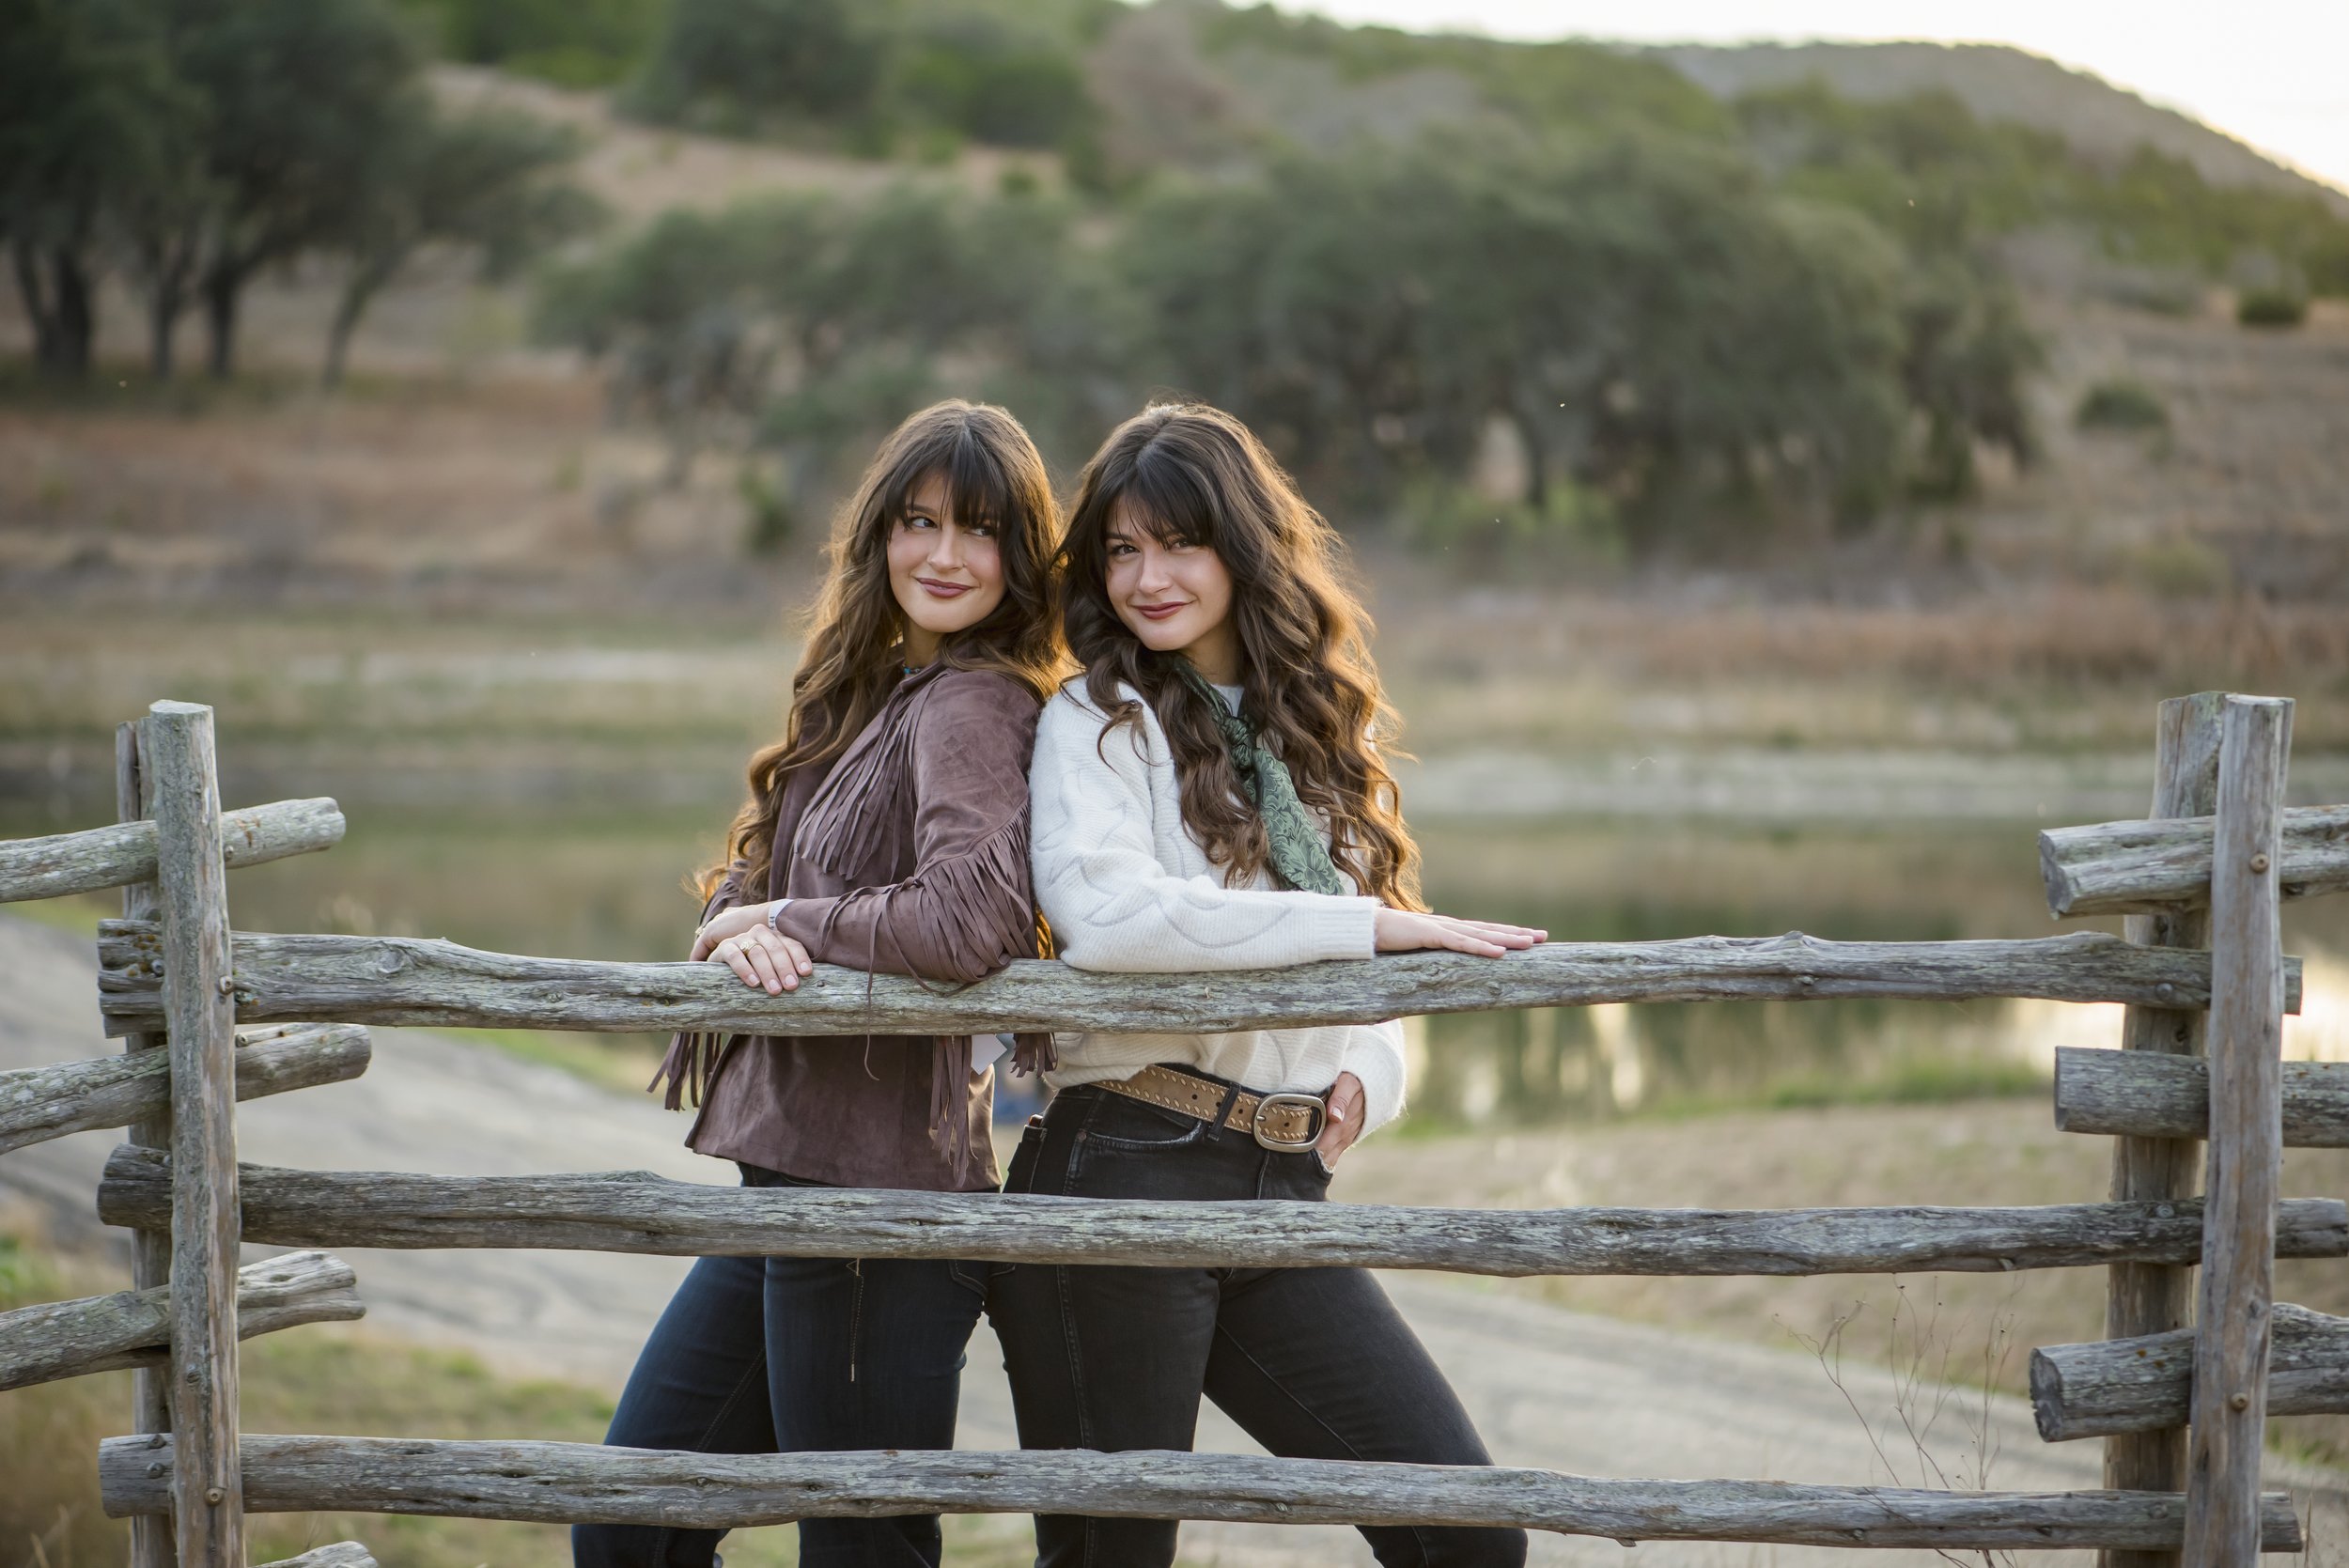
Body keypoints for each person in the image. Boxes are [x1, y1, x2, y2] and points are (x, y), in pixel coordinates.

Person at [996, 402, 1544, 1568]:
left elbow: (1366, 990)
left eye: (1178, 542)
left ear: (1243, 546)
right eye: (1121, 549)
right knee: (1110, 1560)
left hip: (1278, 1183)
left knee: (1469, 1540)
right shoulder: (1096, 717)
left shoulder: (1312, 732)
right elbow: (1109, 918)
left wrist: (1366, 1073)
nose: (1147, 577)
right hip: (1120, 1170)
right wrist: (1373, 930)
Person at [573, 400, 1065, 1568]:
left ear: (1020, 555)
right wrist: (735, 932)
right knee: (626, 1529)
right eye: (918, 521)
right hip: (788, 1182)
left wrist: (784, 918)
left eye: (980, 530)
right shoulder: (874, 692)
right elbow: (757, 878)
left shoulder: (977, 703)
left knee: (859, 1557)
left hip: (878, 1202)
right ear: (879, 533)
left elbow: (969, 917)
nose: (944, 555)